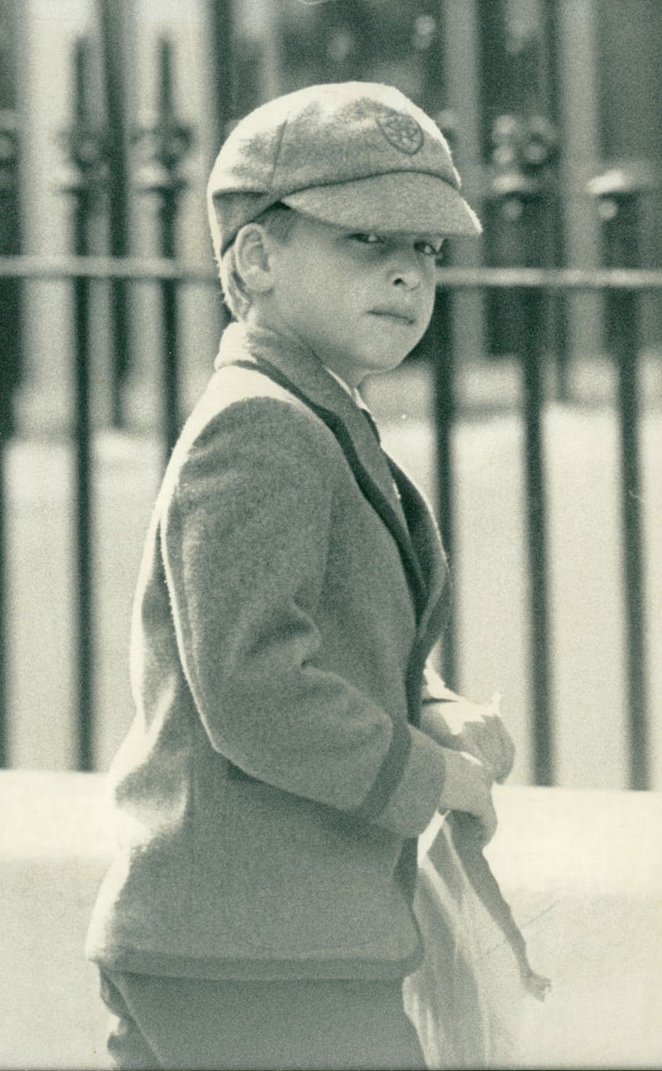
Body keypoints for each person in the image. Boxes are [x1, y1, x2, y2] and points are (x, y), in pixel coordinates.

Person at [86, 81, 515, 1071]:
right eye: (367, 242)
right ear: (257, 258)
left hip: (257, 942)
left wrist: (430, 703)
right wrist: (429, 773)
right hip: (250, 949)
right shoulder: (260, 426)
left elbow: (343, 642)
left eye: (426, 250)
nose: (408, 274)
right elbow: (254, 686)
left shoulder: (313, 411)